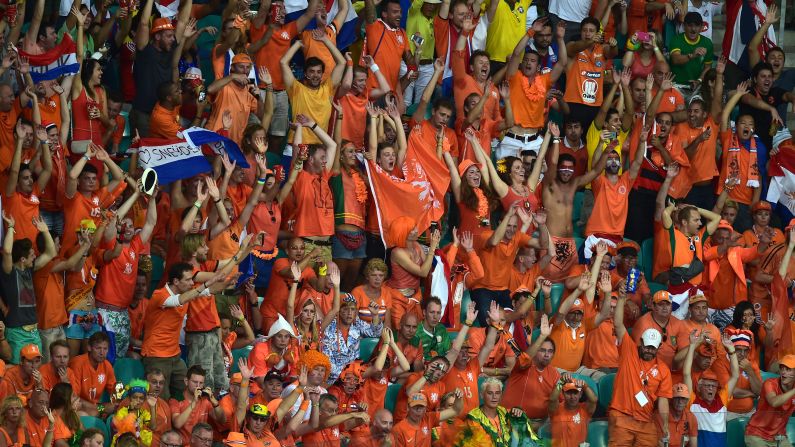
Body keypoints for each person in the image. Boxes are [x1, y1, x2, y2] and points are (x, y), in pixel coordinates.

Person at [142, 263, 232, 400]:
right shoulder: (159, 295)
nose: (192, 283)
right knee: (161, 398)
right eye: (188, 280)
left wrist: (228, 283)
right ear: (176, 281)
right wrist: (207, 283)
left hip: (175, 356)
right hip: (156, 355)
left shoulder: (186, 293)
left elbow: (210, 291)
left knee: (191, 392)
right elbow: (180, 300)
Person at [609, 286, 673, 446]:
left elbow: (663, 400)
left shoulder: (663, 369)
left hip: (646, 420)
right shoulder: (629, 351)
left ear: (658, 348)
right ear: (640, 343)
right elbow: (618, 325)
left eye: (653, 348)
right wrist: (622, 299)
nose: (648, 351)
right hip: (621, 415)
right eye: (646, 346)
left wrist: (664, 423)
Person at [0, 214, 54, 363]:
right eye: (31, 255)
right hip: (17, 332)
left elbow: (51, 253)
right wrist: (11, 227)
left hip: (34, 331)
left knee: (36, 368)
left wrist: (45, 231)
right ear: (22, 259)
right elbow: (7, 251)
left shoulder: (30, 270)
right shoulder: (9, 272)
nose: (35, 256)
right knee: (18, 370)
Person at [684, 331, 740, 445]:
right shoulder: (693, 401)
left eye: (714, 386)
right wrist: (692, 347)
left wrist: (732, 351)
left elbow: (735, 375)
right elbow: (686, 374)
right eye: (707, 385)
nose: (711, 388)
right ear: (699, 388)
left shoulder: (722, 399)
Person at [744, 355, 795, 446]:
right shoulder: (770, 383)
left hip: (779, 437)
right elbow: (774, 402)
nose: (783, 372)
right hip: (757, 435)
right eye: (782, 368)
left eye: (788, 369)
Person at [170, 365, 226, 441]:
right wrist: (194, 403)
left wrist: (215, 403)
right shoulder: (176, 399)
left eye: (201, 383)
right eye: (195, 382)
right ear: (186, 381)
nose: (198, 386)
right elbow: (177, 424)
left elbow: (222, 420)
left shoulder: (205, 399)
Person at [69, 332, 117, 417]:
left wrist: (117, 401)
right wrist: (98, 408)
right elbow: (74, 397)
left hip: (97, 407)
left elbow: (114, 391)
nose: (102, 352)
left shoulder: (107, 365)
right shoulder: (77, 364)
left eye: (105, 349)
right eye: (98, 348)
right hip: (77, 406)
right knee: (94, 412)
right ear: (89, 347)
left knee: (118, 408)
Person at [392, 391, 463, 447]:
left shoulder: (429, 418)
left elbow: (455, 410)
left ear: (425, 409)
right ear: (408, 408)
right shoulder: (398, 430)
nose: (418, 410)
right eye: (415, 407)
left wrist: (459, 397)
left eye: (421, 407)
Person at [548, 377, 598, 446]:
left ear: (580, 394)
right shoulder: (556, 409)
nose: (572, 397)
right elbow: (552, 400)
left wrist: (585, 386)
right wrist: (560, 382)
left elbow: (593, 400)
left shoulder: (585, 409)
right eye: (569, 393)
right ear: (563, 394)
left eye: (575, 393)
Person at [669, 12, 714, 86]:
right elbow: (675, 60)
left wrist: (699, 80)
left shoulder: (707, 43)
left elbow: (708, 67)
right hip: (676, 85)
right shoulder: (676, 39)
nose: (693, 29)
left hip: (697, 85)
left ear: (702, 27)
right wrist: (692, 55)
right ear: (684, 26)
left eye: (697, 25)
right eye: (690, 25)